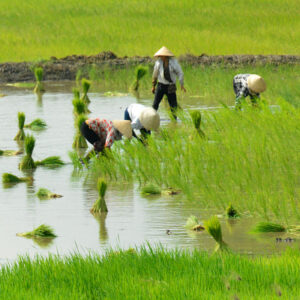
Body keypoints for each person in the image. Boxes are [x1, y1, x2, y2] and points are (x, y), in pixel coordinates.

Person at [152, 46, 186, 118]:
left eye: (162, 56)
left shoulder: (174, 63)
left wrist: (181, 84)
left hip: (171, 86)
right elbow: (155, 74)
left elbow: (180, 73)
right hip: (161, 85)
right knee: (155, 104)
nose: (160, 57)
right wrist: (153, 86)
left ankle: (174, 121)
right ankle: (151, 118)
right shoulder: (158, 62)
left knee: (173, 105)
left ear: (165, 56)